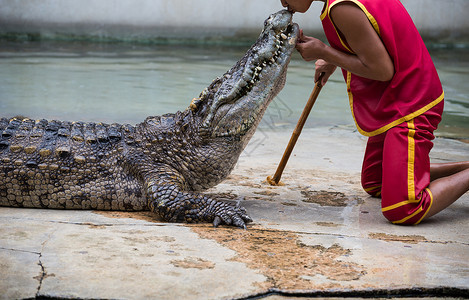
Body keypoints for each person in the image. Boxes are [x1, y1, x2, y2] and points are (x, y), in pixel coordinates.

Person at [280, 0, 469, 224]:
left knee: (403, 208)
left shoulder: (341, 8)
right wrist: (331, 57)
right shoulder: (336, 5)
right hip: (395, 98)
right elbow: (372, 42)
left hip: (412, 103)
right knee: (374, 181)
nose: (282, 2)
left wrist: (326, 53)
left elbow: (382, 70)